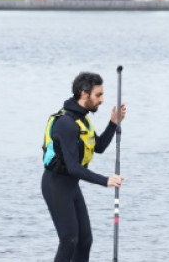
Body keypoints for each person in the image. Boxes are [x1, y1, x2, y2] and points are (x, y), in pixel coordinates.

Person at [42, 71, 126, 262]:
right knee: (69, 240)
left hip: (71, 185)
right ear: (84, 94)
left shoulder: (82, 119)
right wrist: (106, 180)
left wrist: (113, 123)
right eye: (98, 95)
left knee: (85, 241)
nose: (102, 100)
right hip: (56, 185)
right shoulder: (66, 124)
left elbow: (99, 147)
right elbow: (73, 167)